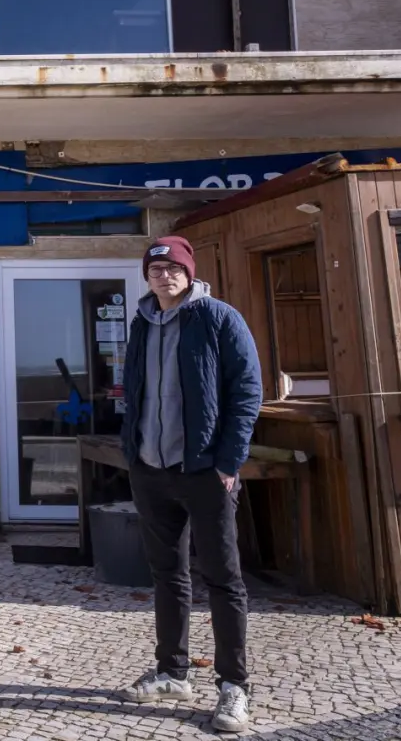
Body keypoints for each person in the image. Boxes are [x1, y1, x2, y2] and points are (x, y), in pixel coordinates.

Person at [118, 236, 263, 734]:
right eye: (155, 268)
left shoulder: (219, 318)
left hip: (204, 472)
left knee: (224, 579)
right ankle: (171, 672)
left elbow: (247, 390)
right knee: (168, 576)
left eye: (172, 267)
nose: (163, 275)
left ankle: (234, 688)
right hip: (151, 470)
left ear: (189, 272)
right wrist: (131, 452)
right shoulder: (140, 323)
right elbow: (132, 390)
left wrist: (228, 462)